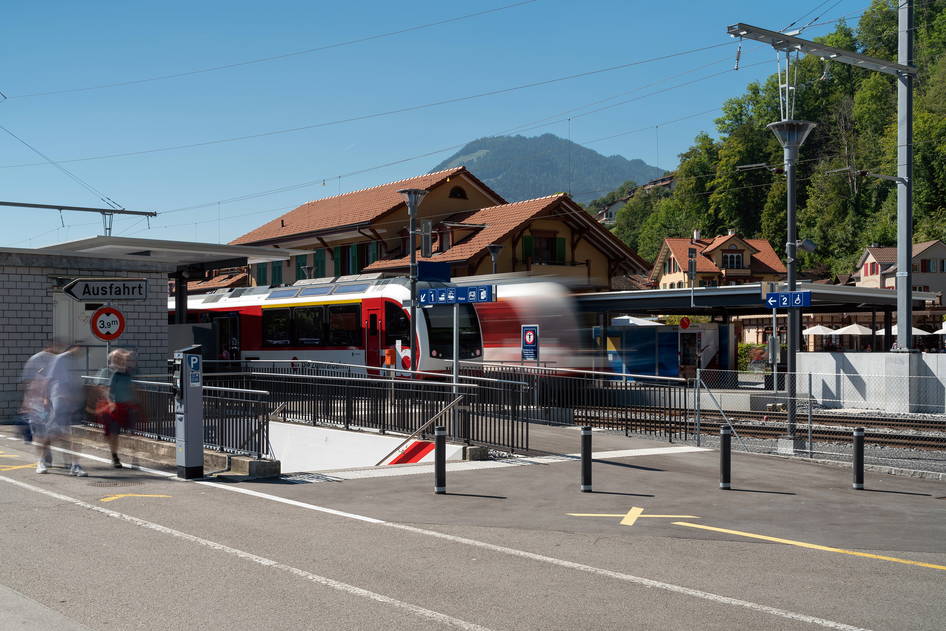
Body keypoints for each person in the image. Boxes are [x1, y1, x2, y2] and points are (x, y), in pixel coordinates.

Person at [37, 343, 87, 476]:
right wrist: (45, 398)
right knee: (52, 433)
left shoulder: (74, 362)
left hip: (72, 404)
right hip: (59, 401)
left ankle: (75, 466)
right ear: (72, 348)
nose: (81, 352)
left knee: (74, 435)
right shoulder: (59, 359)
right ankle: (41, 461)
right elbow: (47, 379)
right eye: (79, 349)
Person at [95, 349, 139, 469]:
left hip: (126, 406)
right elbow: (101, 387)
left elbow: (132, 387)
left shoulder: (126, 372)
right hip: (110, 407)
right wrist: (110, 402)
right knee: (113, 433)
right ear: (111, 359)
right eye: (116, 358)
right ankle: (115, 456)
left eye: (120, 358)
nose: (119, 360)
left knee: (131, 432)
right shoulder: (106, 371)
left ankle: (134, 457)